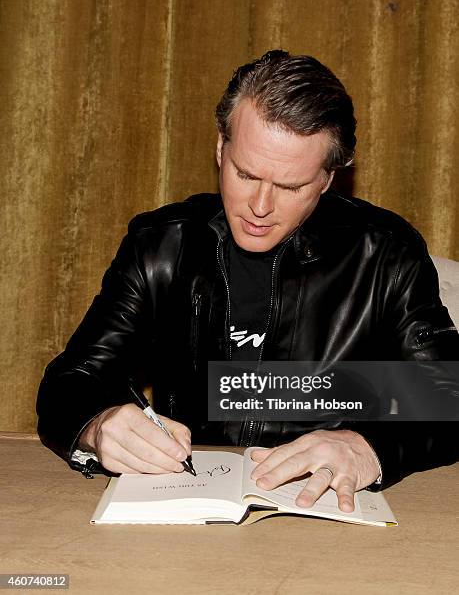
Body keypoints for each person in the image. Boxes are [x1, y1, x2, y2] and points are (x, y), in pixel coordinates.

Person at [37, 50, 459, 513]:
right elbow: (72, 380)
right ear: (220, 147)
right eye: (245, 174)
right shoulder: (162, 245)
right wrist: (99, 425)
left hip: (332, 516)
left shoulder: (385, 252)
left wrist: (366, 447)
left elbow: (447, 399)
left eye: (291, 187)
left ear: (328, 178)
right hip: (190, 505)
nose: (259, 206)